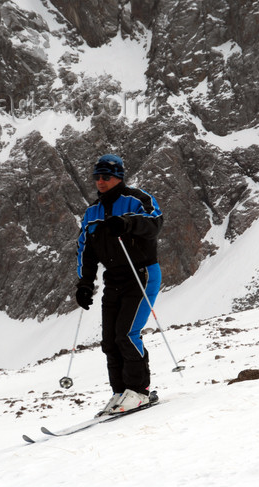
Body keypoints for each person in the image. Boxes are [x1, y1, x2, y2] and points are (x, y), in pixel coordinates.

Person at [75, 154, 163, 415]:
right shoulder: (92, 212)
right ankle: (120, 392)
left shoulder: (137, 199)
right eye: (97, 177)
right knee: (110, 341)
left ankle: (139, 391)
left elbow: (155, 222)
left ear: (119, 177)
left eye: (107, 176)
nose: (101, 181)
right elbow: (85, 251)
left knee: (127, 333)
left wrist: (127, 223)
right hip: (113, 278)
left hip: (142, 274)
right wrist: (84, 284)